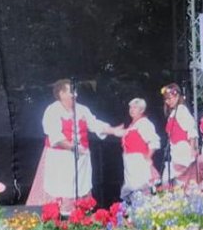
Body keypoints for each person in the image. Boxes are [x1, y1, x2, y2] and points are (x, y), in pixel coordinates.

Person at [30, 79, 118, 209]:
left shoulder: (82, 110)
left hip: (81, 161)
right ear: (61, 94)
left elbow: (94, 124)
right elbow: (55, 137)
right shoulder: (53, 110)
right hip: (60, 161)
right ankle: (62, 216)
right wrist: (74, 147)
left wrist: (113, 130)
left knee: (81, 189)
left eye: (75, 91)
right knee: (63, 190)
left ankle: (80, 216)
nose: (75, 94)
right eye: (72, 91)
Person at [121, 98, 161, 197]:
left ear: (142, 110)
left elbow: (154, 141)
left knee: (143, 189)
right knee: (133, 191)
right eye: (131, 107)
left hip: (139, 162)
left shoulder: (144, 123)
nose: (132, 110)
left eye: (135, 107)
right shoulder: (132, 125)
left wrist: (148, 157)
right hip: (130, 164)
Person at [161, 83, 198, 187]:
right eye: (166, 99)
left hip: (183, 150)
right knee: (174, 182)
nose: (168, 101)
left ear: (177, 96)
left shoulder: (182, 110)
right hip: (175, 151)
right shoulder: (173, 113)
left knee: (176, 181)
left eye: (170, 98)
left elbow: (191, 130)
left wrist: (192, 149)